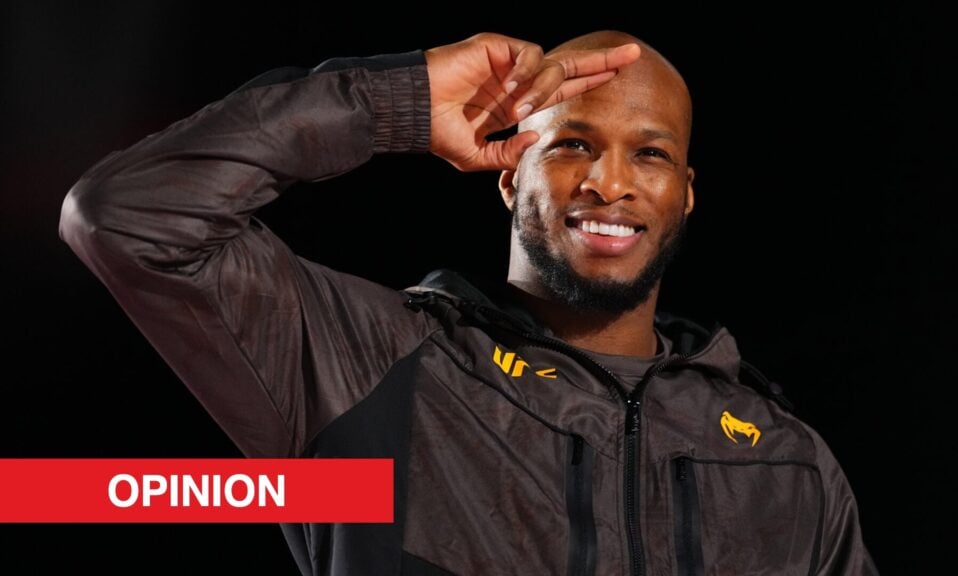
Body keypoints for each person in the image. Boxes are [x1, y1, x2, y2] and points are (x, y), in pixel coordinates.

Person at [59, 29, 878, 576]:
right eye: (573, 145)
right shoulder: (374, 366)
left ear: (686, 193)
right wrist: (395, 103)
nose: (611, 183)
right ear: (510, 175)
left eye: (650, 154)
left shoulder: (787, 464)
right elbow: (129, 219)